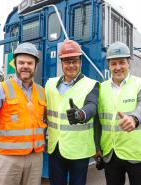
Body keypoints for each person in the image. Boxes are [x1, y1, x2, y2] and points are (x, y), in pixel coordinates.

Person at [0, 42, 46, 185]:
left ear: (35, 66)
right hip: (9, 159)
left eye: (30, 63)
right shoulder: (3, 88)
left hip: (35, 157)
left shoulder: (41, 91)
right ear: (15, 64)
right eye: (21, 62)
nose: (25, 66)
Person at [96, 41, 141, 185]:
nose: (118, 67)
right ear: (108, 65)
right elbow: (98, 121)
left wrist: (134, 118)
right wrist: (97, 147)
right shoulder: (100, 88)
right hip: (110, 154)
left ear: (129, 63)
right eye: (113, 63)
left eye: (121, 62)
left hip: (137, 154)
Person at [45, 40, 99, 185]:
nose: (71, 65)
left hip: (79, 150)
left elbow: (92, 106)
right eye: (67, 61)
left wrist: (80, 114)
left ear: (80, 62)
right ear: (61, 63)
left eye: (74, 61)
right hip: (55, 148)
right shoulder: (50, 84)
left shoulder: (91, 84)